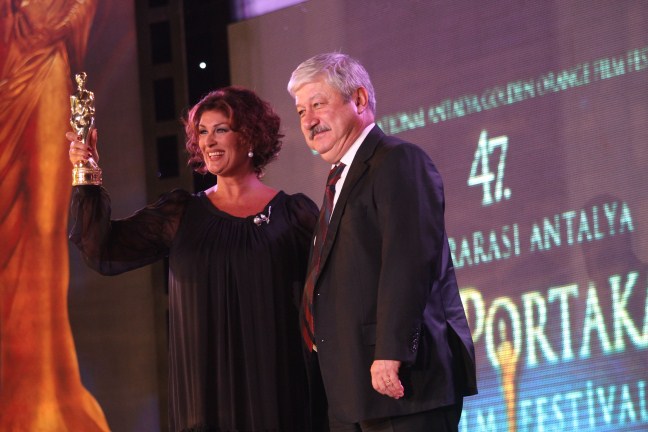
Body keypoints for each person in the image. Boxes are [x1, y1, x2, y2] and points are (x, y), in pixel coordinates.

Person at [67, 86, 320, 432]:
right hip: (202, 401)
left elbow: (328, 299)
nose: (208, 141)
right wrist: (87, 174)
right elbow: (102, 249)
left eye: (221, 130)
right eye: (202, 131)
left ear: (250, 136)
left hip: (276, 396)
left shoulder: (294, 215)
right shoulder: (181, 213)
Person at [286, 53, 478, 431]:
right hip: (352, 392)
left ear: (358, 100)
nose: (308, 120)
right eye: (301, 111)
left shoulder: (397, 160)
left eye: (318, 104)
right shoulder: (339, 179)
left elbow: (409, 261)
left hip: (403, 385)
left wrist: (391, 352)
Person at [0, 0, 110, 430]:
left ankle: (39, 389)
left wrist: (48, 23)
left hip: (41, 64)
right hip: (12, 55)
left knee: (43, 233)